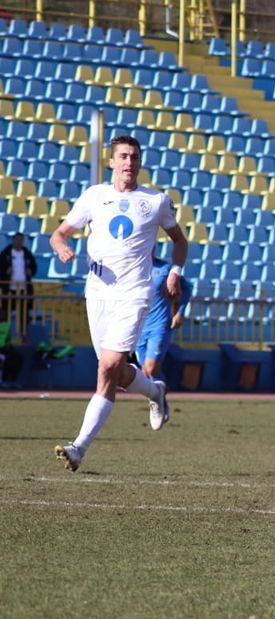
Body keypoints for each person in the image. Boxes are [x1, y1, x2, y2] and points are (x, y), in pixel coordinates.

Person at [48, 134, 188, 471]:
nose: (129, 163)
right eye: (123, 157)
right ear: (111, 162)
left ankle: (78, 448)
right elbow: (59, 233)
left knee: (107, 368)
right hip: (98, 295)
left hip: (133, 294)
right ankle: (155, 392)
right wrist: (61, 247)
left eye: (135, 157)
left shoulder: (155, 201)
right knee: (117, 372)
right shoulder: (94, 196)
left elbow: (180, 241)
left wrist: (175, 272)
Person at [135, 256, 193, 379]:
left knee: (151, 368)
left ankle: (159, 393)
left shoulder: (165, 268)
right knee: (145, 370)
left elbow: (186, 288)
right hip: (137, 327)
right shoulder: (132, 267)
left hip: (159, 325)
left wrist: (180, 312)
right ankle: (160, 397)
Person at [0, 231, 37, 328]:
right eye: (17, 240)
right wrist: (5, 272)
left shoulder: (27, 254)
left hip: (23, 289)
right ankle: (3, 335)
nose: (19, 242)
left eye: (21, 240)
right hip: (9, 289)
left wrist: (30, 271)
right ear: (13, 241)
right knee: (5, 313)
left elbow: (34, 268)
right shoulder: (5, 254)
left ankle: (24, 334)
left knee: (24, 314)